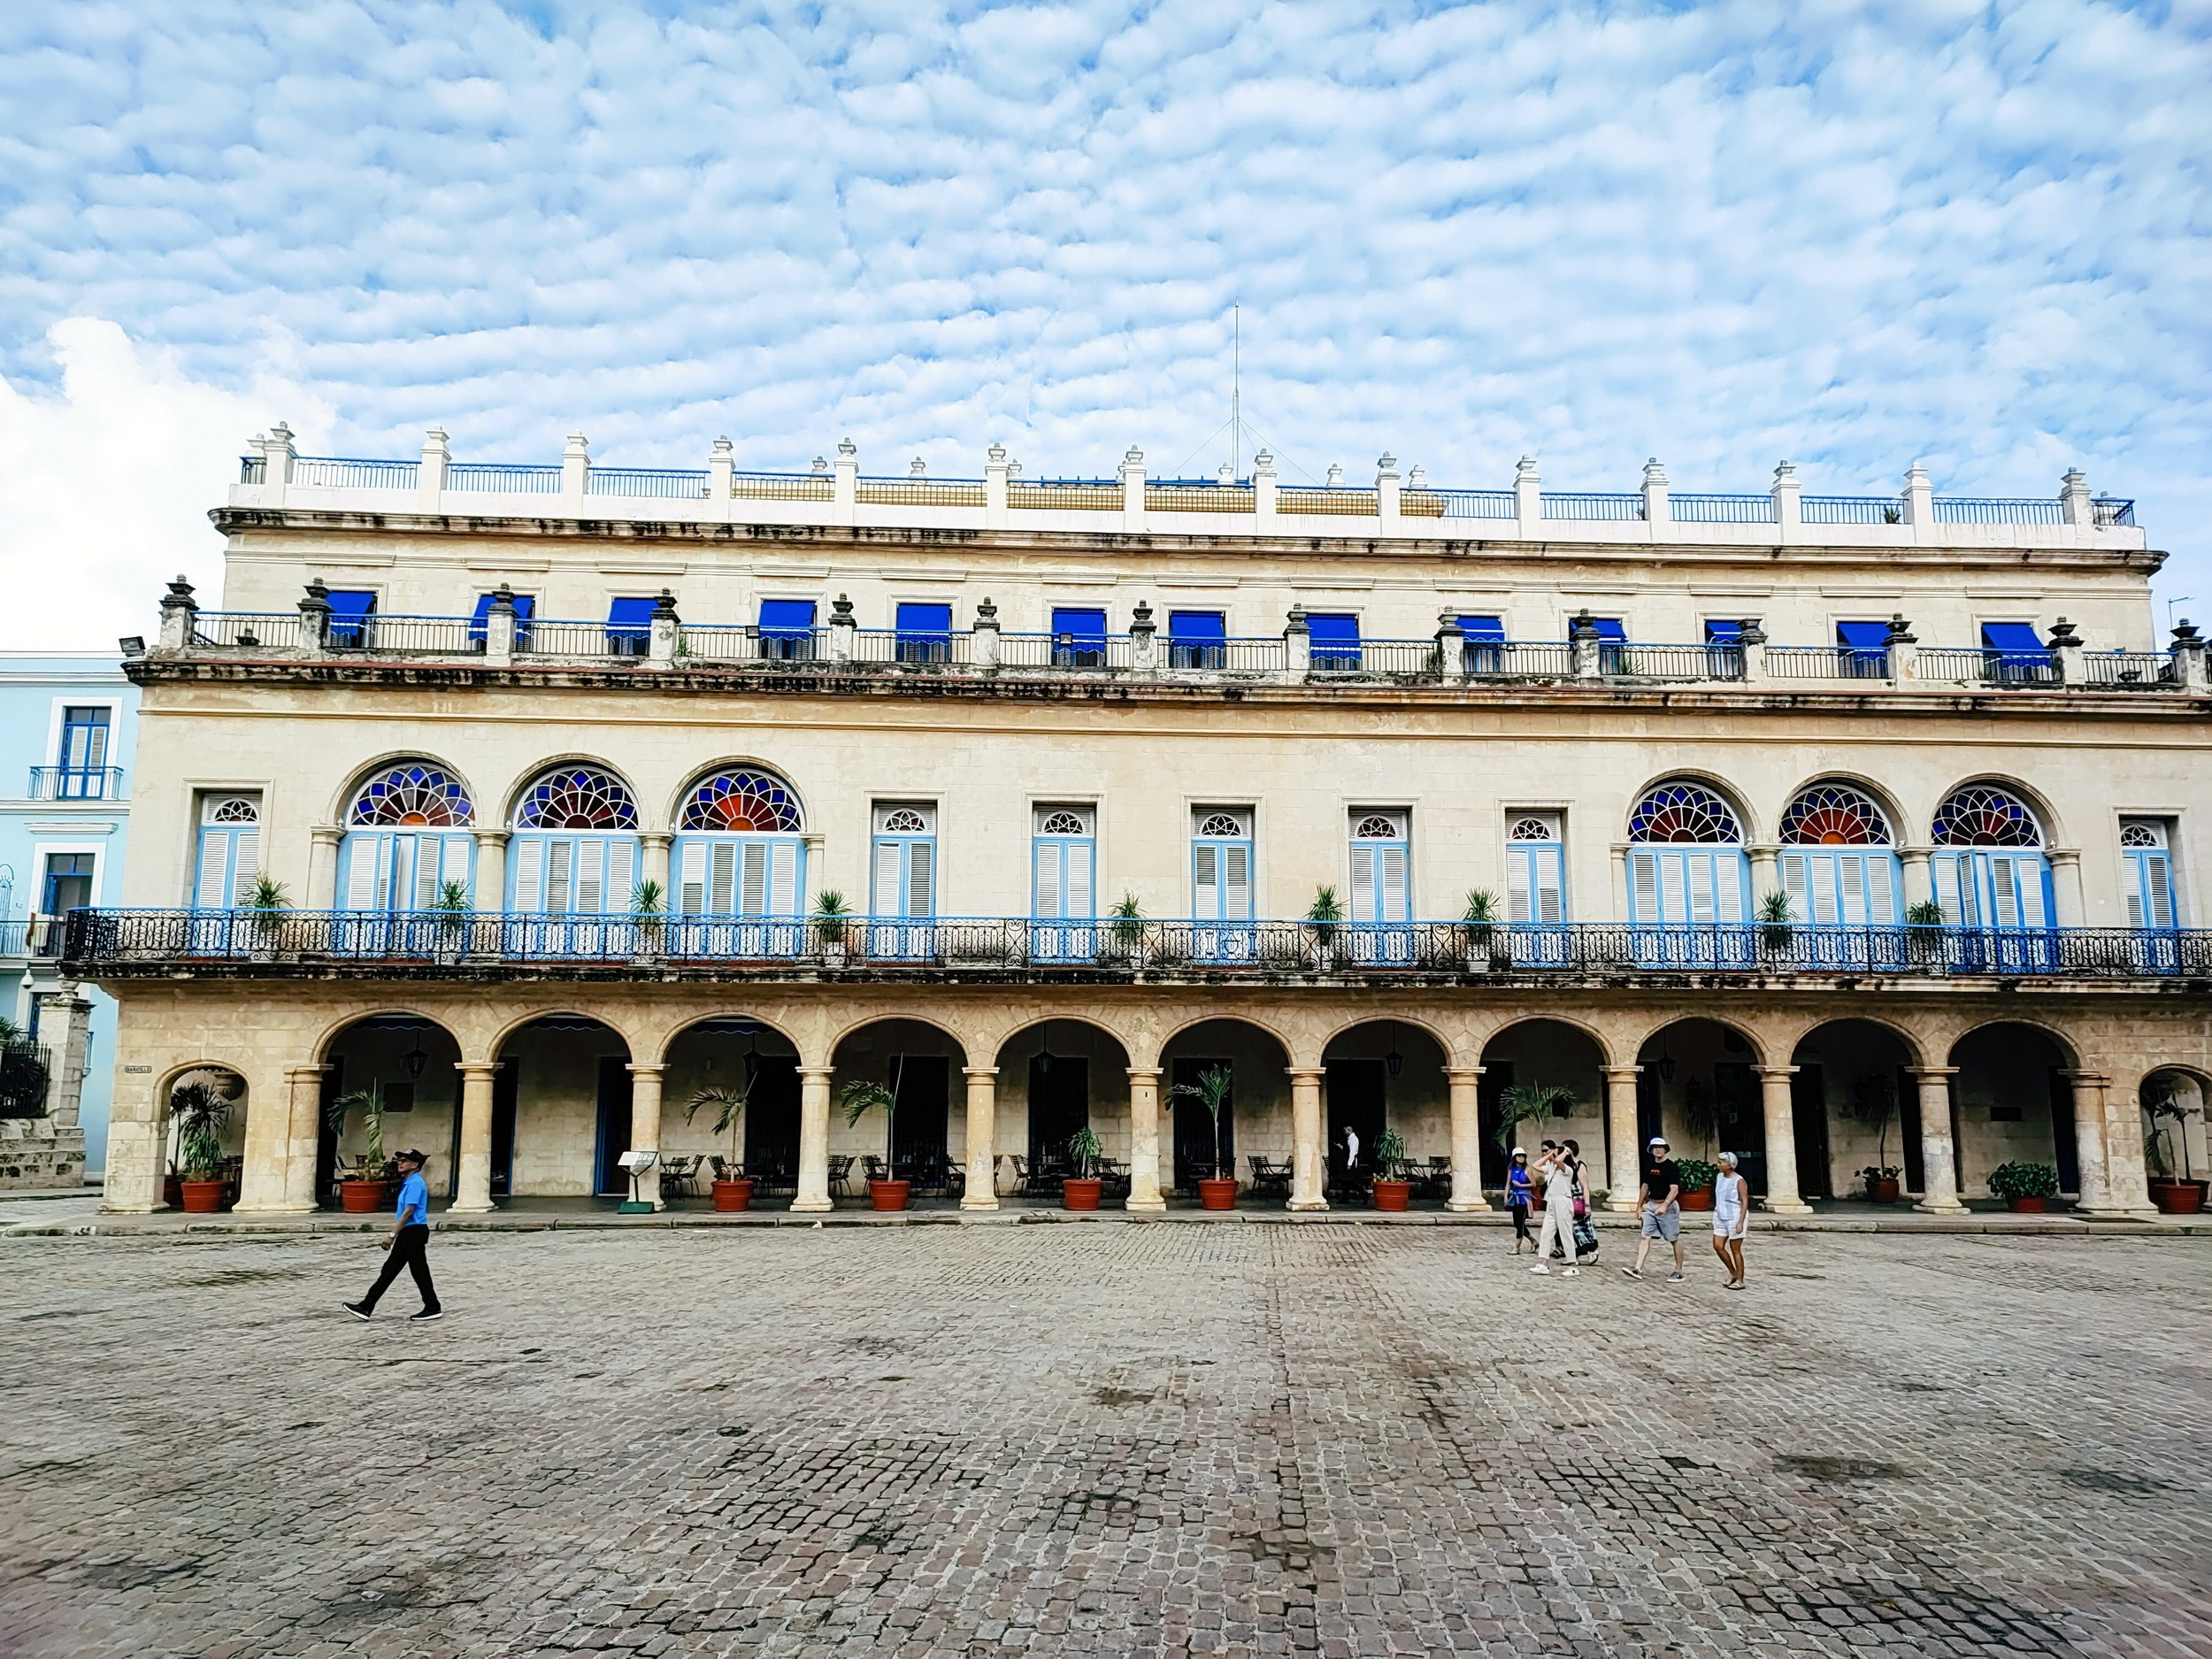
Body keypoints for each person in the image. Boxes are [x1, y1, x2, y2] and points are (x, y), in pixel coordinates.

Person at [345, 1148, 442, 1322]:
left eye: (404, 1160)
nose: (400, 1163)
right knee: (390, 1270)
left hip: (414, 1231)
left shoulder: (415, 1183)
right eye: (399, 1160)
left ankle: (433, 1307)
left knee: (418, 1271)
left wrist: (391, 1235)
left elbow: (408, 1212)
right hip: (409, 1232)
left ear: (415, 1165)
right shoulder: (409, 1182)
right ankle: (367, 1306)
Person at [1622, 1135, 1686, 1283]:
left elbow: (1674, 1189)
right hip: (1651, 1205)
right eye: (1654, 1147)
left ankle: (1678, 1270)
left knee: (1673, 1239)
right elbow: (1645, 1186)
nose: (1658, 1149)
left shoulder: (1671, 1167)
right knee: (1645, 1236)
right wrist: (1639, 1206)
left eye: (1660, 1147)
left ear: (1665, 1149)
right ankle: (1638, 1268)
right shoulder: (1649, 1165)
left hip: (1668, 1206)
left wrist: (1665, 1206)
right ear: (1651, 1150)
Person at [1528, 1143, 1580, 1276]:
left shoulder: (1567, 1169)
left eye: (1556, 1153)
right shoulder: (1551, 1168)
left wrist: (1563, 1153)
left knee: (1565, 1233)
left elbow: (1559, 1162)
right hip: (1551, 1201)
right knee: (1546, 1232)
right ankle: (1543, 1264)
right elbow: (1536, 1166)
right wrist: (1550, 1156)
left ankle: (1573, 1265)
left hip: (1563, 1201)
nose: (1553, 1156)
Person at [1712, 1149, 1749, 1288]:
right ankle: (1732, 1272)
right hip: (1720, 1216)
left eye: (1721, 1162)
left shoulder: (1738, 1180)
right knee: (1718, 1246)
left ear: (1730, 1165)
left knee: (1736, 1249)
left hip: (1734, 1216)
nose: (1718, 1165)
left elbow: (1744, 1201)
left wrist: (1741, 1221)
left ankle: (1740, 1279)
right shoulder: (1719, 1177)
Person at [1504, 1147, 1534, 1254]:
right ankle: (1534, 1241)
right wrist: (1506, 1196)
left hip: (1524, 1198)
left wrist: (1521, 1185)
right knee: (1516, 1223)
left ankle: (1516, 1247)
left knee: (1520, 1222)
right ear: (1514, 1157)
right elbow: (1508, 1183)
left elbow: (1534, 1184)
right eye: (1519, 1155)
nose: (1521, 1157)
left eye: (1523, 1156)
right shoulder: (1511, 1169)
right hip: (1515, 1198)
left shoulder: (1527, 1169)